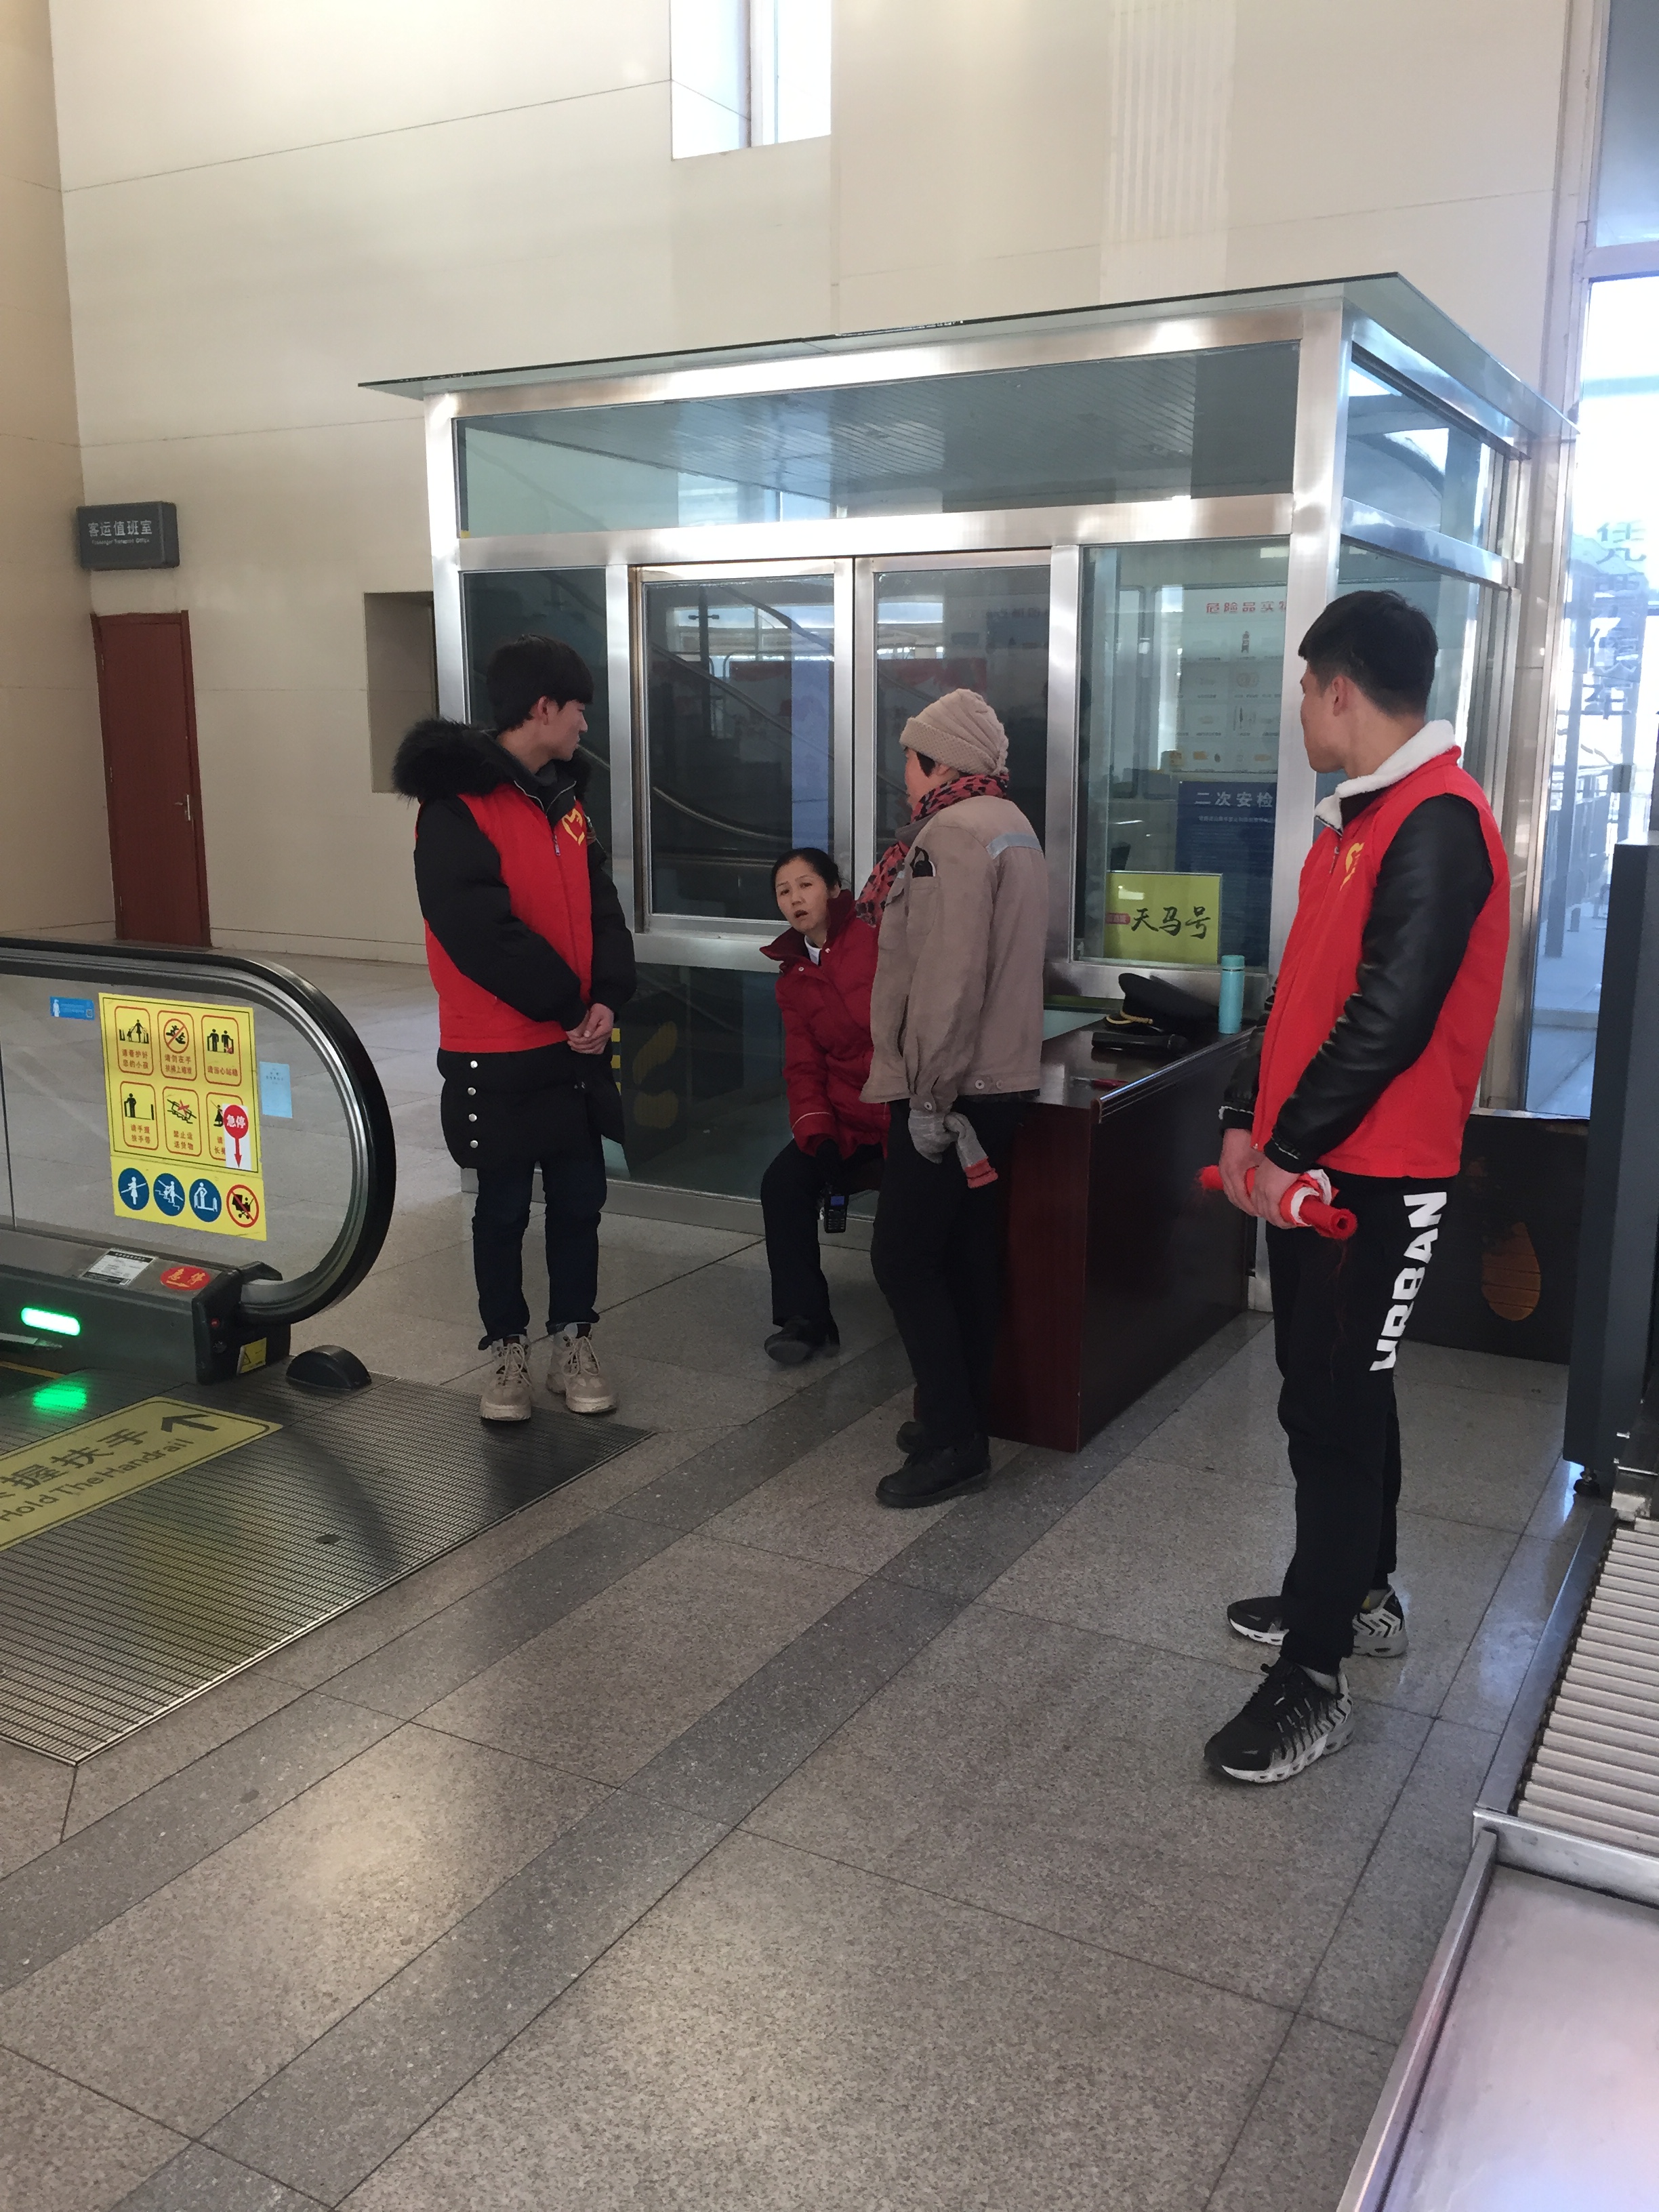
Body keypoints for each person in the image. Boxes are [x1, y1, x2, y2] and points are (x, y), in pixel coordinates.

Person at [1205, 590, 1509, 1786]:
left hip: (1375, 1182)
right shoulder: (1354, 824)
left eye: (1301, 690)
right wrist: (1244, 1115)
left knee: (1332, 1413)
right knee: (1330, 1394)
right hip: (1316, 1166)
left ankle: (1315, 1675)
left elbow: (1390, 1018)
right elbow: (1298, 991)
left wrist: (1288, 1147)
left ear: (1339, 689)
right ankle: (1355, 1592)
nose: (1296, 711)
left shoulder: (1438, 821)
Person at [394, 632, 636, 1423]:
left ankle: (574, 1339)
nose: (584, 725)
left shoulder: (566, 804)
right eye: (577, 709)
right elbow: (479, 932)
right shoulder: (453, 809)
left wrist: (607, 998)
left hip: (574, 1048)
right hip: (495, 1050)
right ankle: (506, 1350)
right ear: (541, 708)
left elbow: (602, 909)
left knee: (580, 1202)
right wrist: (568, 1006)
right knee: (500, 1210)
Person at [859, 689, 1048, 1509]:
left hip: (952, 1089)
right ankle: (960, 1416)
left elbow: (949, 979)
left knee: (902, 1258)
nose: (903, 774)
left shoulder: (951, 835)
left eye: (909, 758)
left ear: (937, 762)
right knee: (964, 1255)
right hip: (999, 1081)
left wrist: (929, 1099)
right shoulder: (1012, 823)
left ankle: (954, 1442)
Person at [758, 847, 886, 1365]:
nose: (796, 898)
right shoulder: (792, 976)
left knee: (905, 1234)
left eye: (806, 885)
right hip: (847, 1121)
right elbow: (804, 1067)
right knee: (783, 1182)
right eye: (784, 891)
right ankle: (807, 1320)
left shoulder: (876, 941)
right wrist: (820, 1135)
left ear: (834, 890)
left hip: (904, 1116)